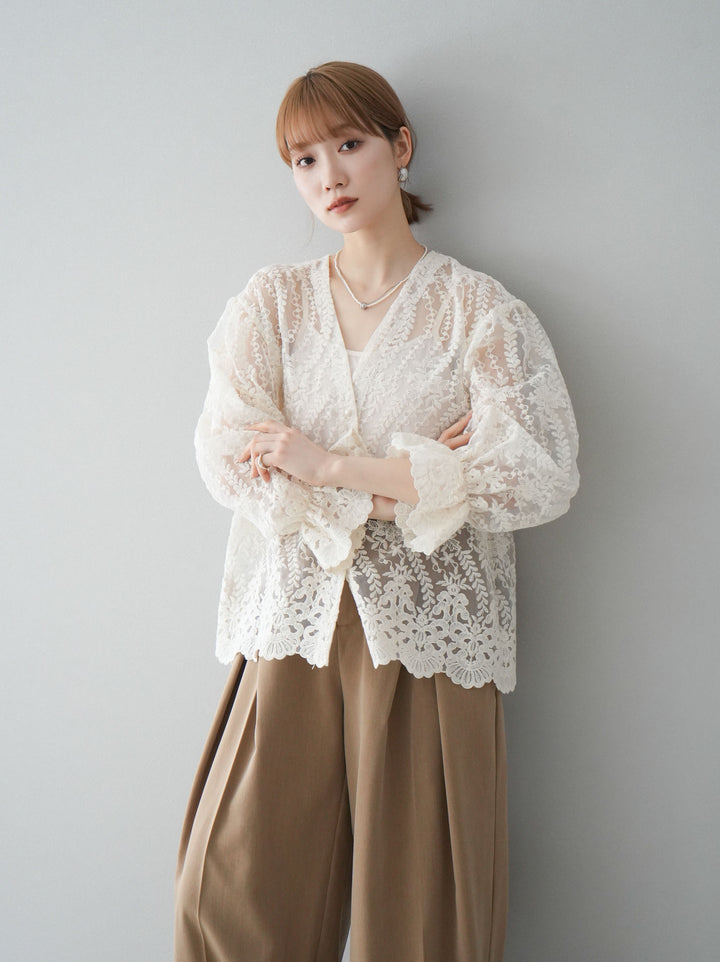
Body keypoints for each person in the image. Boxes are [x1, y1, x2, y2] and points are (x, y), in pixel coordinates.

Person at [174, 61, 579, 962]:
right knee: (230, 893)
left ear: (400, 147)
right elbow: (230, 455)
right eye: (304, 160)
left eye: (350, 145)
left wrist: (331, 467)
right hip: (291, 625)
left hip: (428, 632)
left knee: (423, 915)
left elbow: (537, 474)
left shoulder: (479, 312)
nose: (330, 176)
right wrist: (421, 477)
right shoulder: (272, 304)